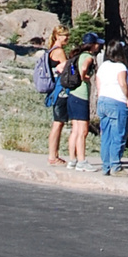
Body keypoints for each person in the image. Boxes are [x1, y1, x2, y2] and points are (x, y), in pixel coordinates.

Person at [65, 33, 102, 172]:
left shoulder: (77, 55)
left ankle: (72, 160)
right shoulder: (88, 57)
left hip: (72, 95)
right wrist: (85, 77)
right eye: (97, 43)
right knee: (83, 130)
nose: (98, 46)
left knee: (75, 130)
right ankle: (82, 161)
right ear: (92, 45)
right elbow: (84, 69)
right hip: (81, 96)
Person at [95, 40, 128, 175]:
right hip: (118, 101)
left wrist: (100, 97)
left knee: (106, 135)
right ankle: (116, 166)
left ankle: (106, 166)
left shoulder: (103, 66)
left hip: (103, 100)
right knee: (119, 134)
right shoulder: (120, 67)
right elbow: (123, 83)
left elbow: (98, 84)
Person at [45, 26, 70, 167]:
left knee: (58, 122)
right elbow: (67, 69)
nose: (66, 38)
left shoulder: (51, 50)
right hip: (59, 90)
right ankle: (53, 156)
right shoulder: (59, 51)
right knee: (58, 123)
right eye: (64, 35)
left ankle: (53, 155)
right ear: (57, 36)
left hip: (54, 90)